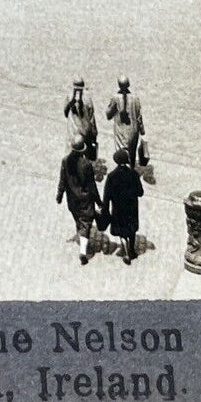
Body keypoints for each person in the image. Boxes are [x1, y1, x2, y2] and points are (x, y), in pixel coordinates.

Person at [56, 136, 102, 264]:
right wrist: (99, 202)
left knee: (79, 220)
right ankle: (83, 251)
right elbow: (92, 185)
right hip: (85, 200)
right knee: (86, 223)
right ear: (83, 150)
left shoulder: (65, 161)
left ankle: (82, 239)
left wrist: (59, 196)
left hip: (72, 200)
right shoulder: (86, 164)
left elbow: (62, 181)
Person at [101, 148, 145, 264]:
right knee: (131, 229)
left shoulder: (111, 176)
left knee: (121, 230)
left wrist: (105, 209)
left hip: (118, 208)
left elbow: (107, 196)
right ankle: (131, 250)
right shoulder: (134, 174)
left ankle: (126, 252)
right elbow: (140, 192)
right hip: (131, 207)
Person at [105, 76, 145, 166]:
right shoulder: (135, 98)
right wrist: (142, 131)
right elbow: (139, 117)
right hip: (133, 132)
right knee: (132, 155)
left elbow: (108, 115)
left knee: (121, 156)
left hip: (121, 133)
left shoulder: (115, 98)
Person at [63, 78, 98, 159]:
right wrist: (94, 133)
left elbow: (65, 112)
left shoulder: (69, 96)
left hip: (73, 130)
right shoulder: (88, 98)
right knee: (85, 153)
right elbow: (91, 117)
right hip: (85, 130)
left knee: (71, 152)